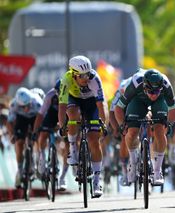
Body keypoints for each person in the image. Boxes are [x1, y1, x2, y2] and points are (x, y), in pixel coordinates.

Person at [114, 68, 175, 185]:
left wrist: (169, 124)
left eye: (157, 91)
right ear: (144, 87)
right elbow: (118, 108)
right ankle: (132, 164)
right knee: (132, 131)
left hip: (160, 103)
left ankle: (158, 171)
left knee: (159, 130)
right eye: (151, 92)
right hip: (138, 100)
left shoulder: (166, 85)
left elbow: (173, 108)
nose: (154, 95)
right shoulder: (135, 83)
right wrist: (122, 124)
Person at [58, 55, 108, 197]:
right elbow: (62, 107)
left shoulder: (94, 79)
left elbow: (101, 105)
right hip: (75, 100)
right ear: (73, 75)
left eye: (87, 74)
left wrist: (103, 123)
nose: (86, 78)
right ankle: (73, 148)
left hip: (92, 102)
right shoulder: (66, 80)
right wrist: (62, 126)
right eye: (82, 76)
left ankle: (97, 181)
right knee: (73, 115)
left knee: (94, 140)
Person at [32, 79, 69, 191]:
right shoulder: (50, 95)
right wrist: (35, 130)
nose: (60, 94)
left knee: (69, 142)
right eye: (58, 92)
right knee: (43, 133)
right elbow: (41, 113)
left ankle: (63, 177)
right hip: (52, 115)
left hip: (67, 114)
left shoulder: (71, 94)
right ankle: (42, 157)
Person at [7, 87, 43, 188]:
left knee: (38, 138)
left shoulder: (37, 102)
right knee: (19, 142)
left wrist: (37, 131)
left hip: (35, 118)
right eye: (23, 107)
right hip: (21, 119)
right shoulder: (14, 104)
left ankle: (38, 161)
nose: (26, 108)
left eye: (27, 105)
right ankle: (19, 170)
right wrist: (12, 135)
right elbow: (9, 122)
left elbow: (43, 118)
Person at [109, 77, 131, 186]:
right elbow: (112, 113)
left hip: (136, 107)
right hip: (121, 111)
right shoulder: (119, 92)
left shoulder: (139, 89)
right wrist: (116, 129)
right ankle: (124, 169)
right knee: (124, 135)